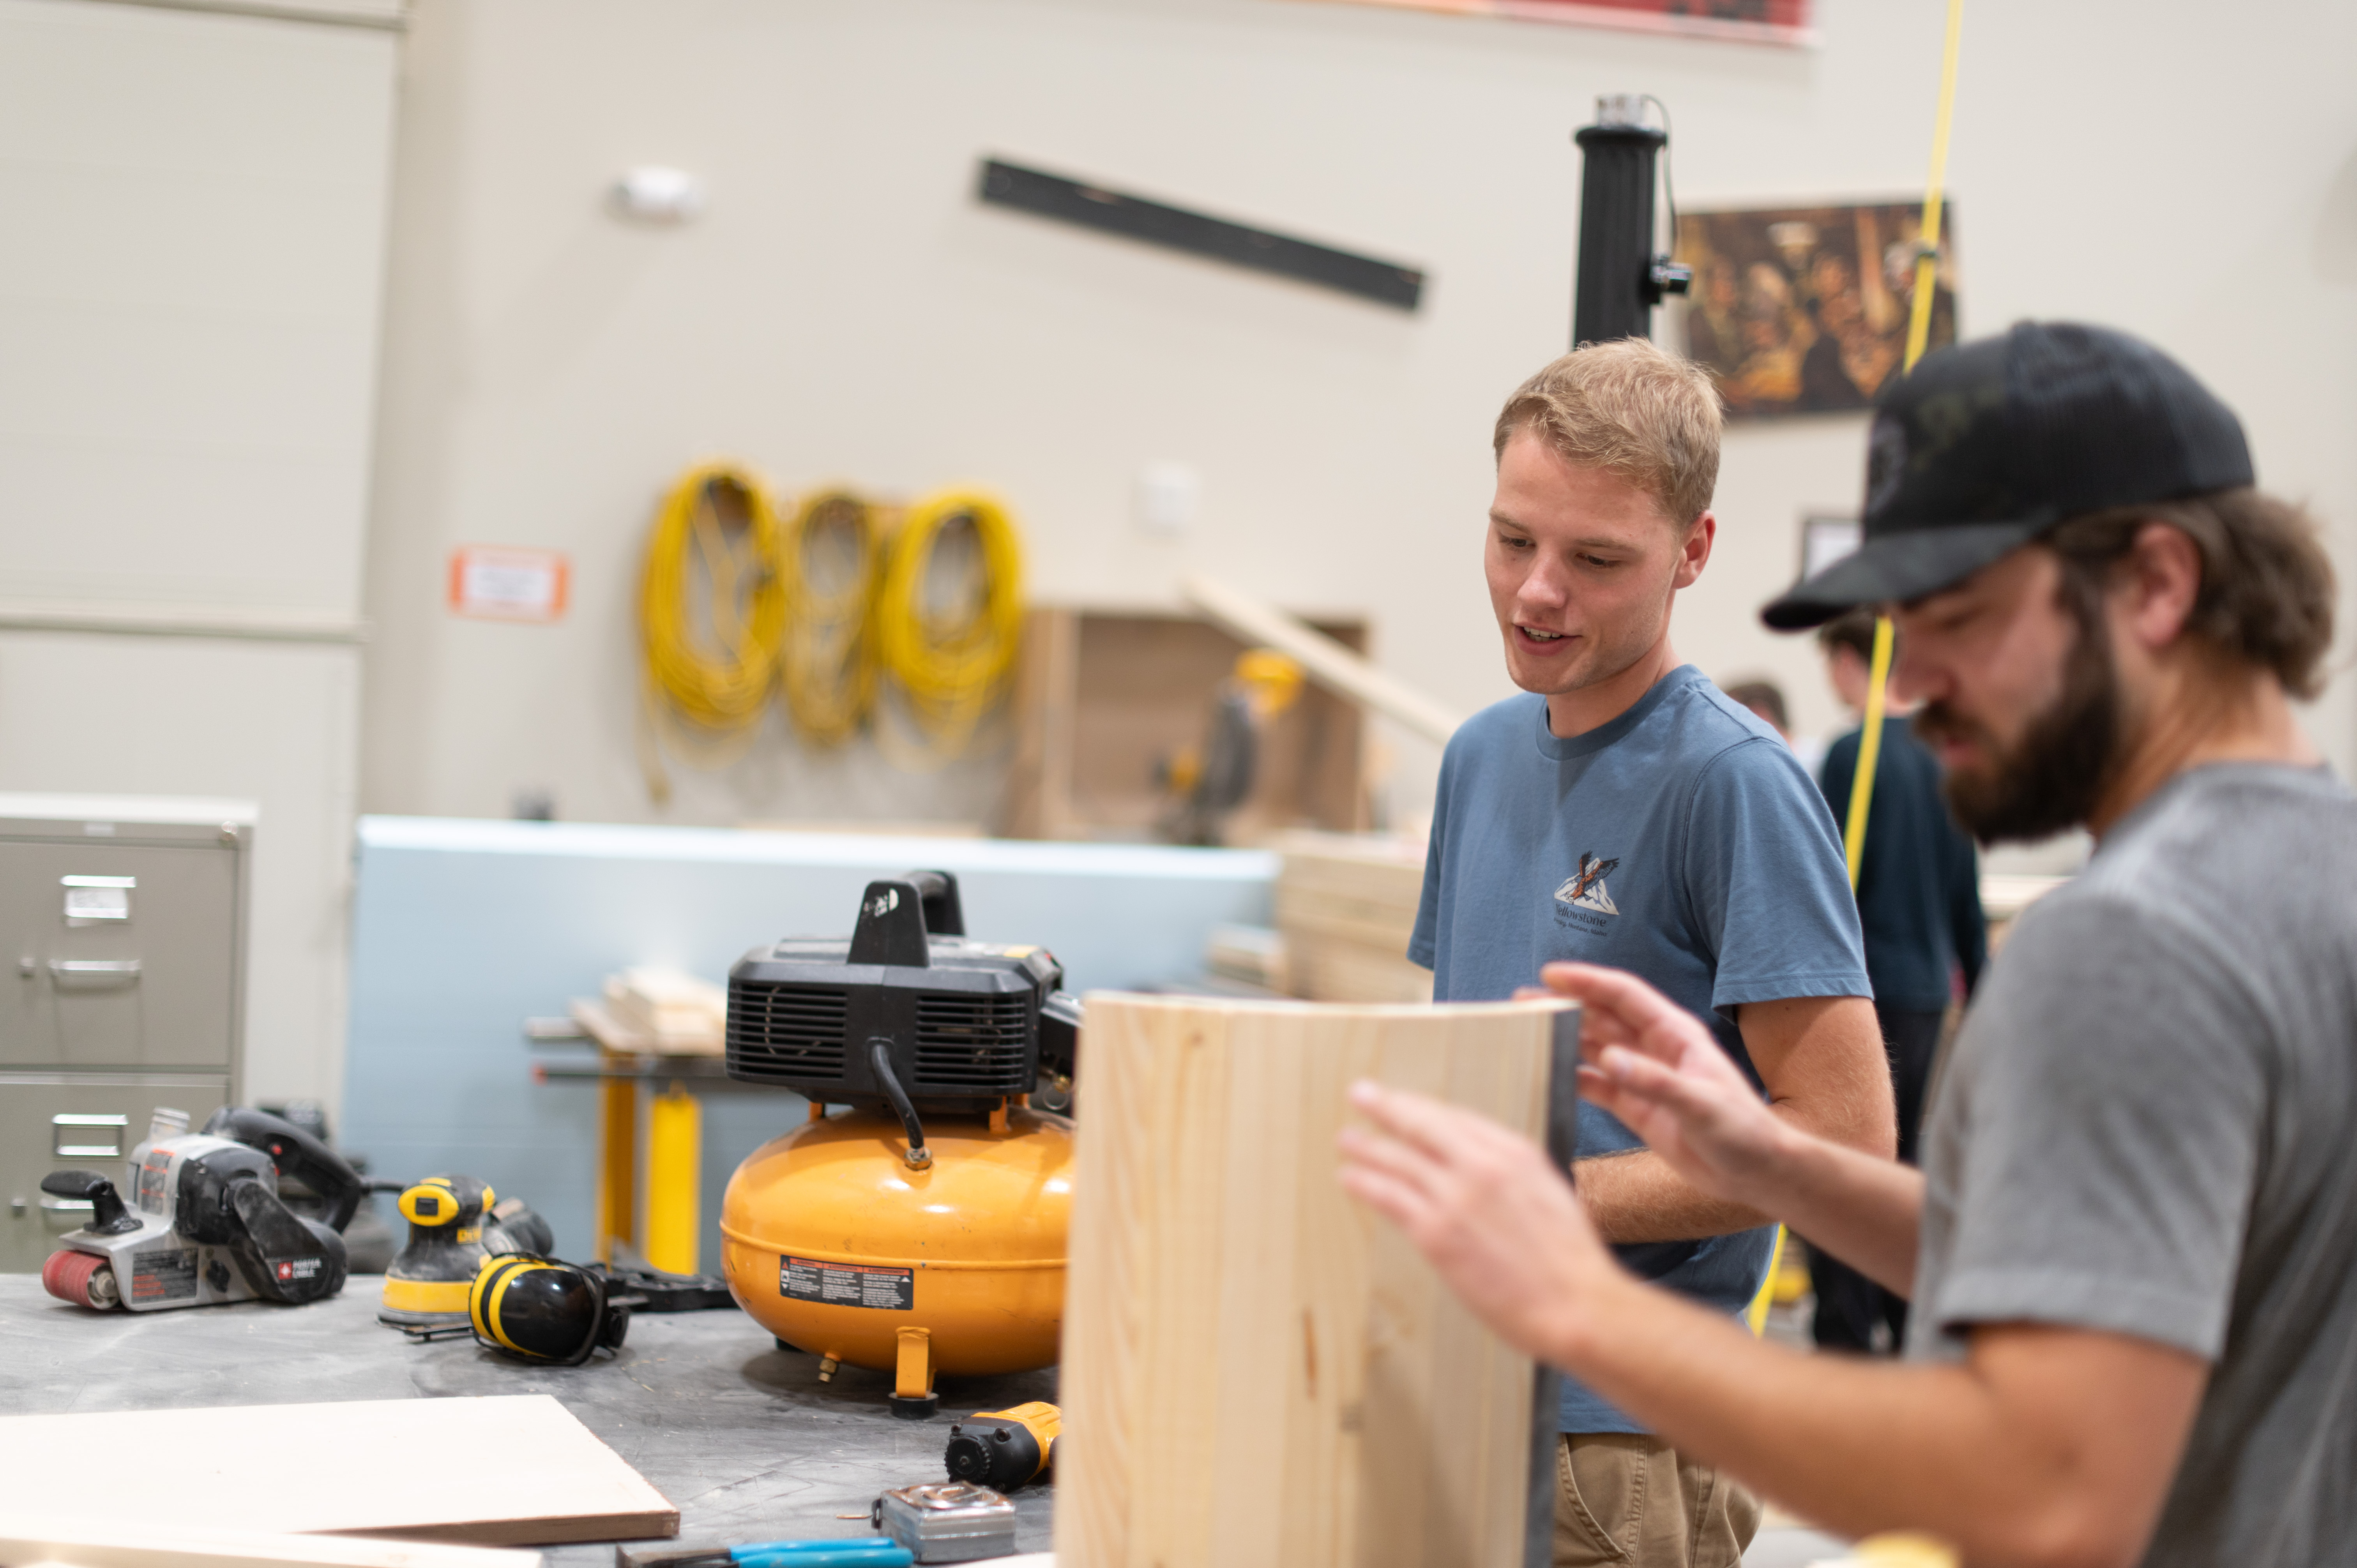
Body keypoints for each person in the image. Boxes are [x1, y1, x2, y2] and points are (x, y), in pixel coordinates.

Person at [1344, 321, 2355, 1567]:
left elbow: (2048, 1492)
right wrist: (1772, 1163)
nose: (1911, 675)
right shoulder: (2317, 877)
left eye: (1958, 617)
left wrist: (1578, 1303)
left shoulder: (2133, 944)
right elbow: (2113, 1277)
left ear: (2155, 584)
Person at [1409, 338, 1894, 1568]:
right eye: (1514, 540)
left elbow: (1847, 1141)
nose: (1536, 594)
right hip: (1450, 1376)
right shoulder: (1477, 758)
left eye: (1597, 560)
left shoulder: (1734, 785)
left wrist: (1556, 1198)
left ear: (1693, 554)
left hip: (1618, 1437)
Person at [1808, 610, 1986, 1353]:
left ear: (1850, 661)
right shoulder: (1947, 756)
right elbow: (1963, 895)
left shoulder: (1854, 754)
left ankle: (1845, 1337)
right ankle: (1912, 1331)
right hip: (1925, 994)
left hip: (1862, 988)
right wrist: (1982, 989)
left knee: (1842, 1161)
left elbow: (1824, 886)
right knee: (1902, 1157)